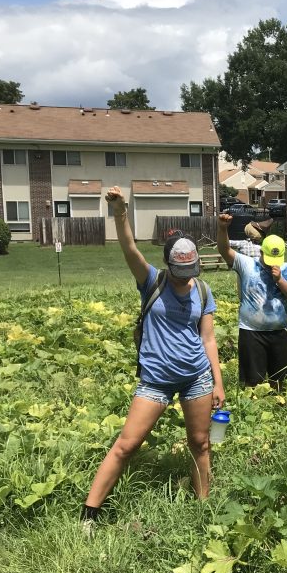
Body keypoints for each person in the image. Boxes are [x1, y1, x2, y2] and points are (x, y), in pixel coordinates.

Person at [82, 186, 224, 526]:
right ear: (169, 264)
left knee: (200, 443)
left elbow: (208, 339)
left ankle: (202, 508)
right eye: (180, 273)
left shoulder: (203, 291)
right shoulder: (151, 281)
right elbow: (129, 248)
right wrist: (120, 211)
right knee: (127, 444)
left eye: (191, 274)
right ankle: (89, 514)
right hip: (156, 380)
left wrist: (218, 382)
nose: (185, 280)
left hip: (196, 377)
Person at [218, 214, 287, 389]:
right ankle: (253, 408)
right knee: (252, 380)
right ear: (261, 251)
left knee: (280, 380)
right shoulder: (247, 264)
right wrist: (223, 228)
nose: (272, 264)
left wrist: (280, 280)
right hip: (251, 332)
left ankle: (278, 407)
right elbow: (224, 250)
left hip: (280, 332)